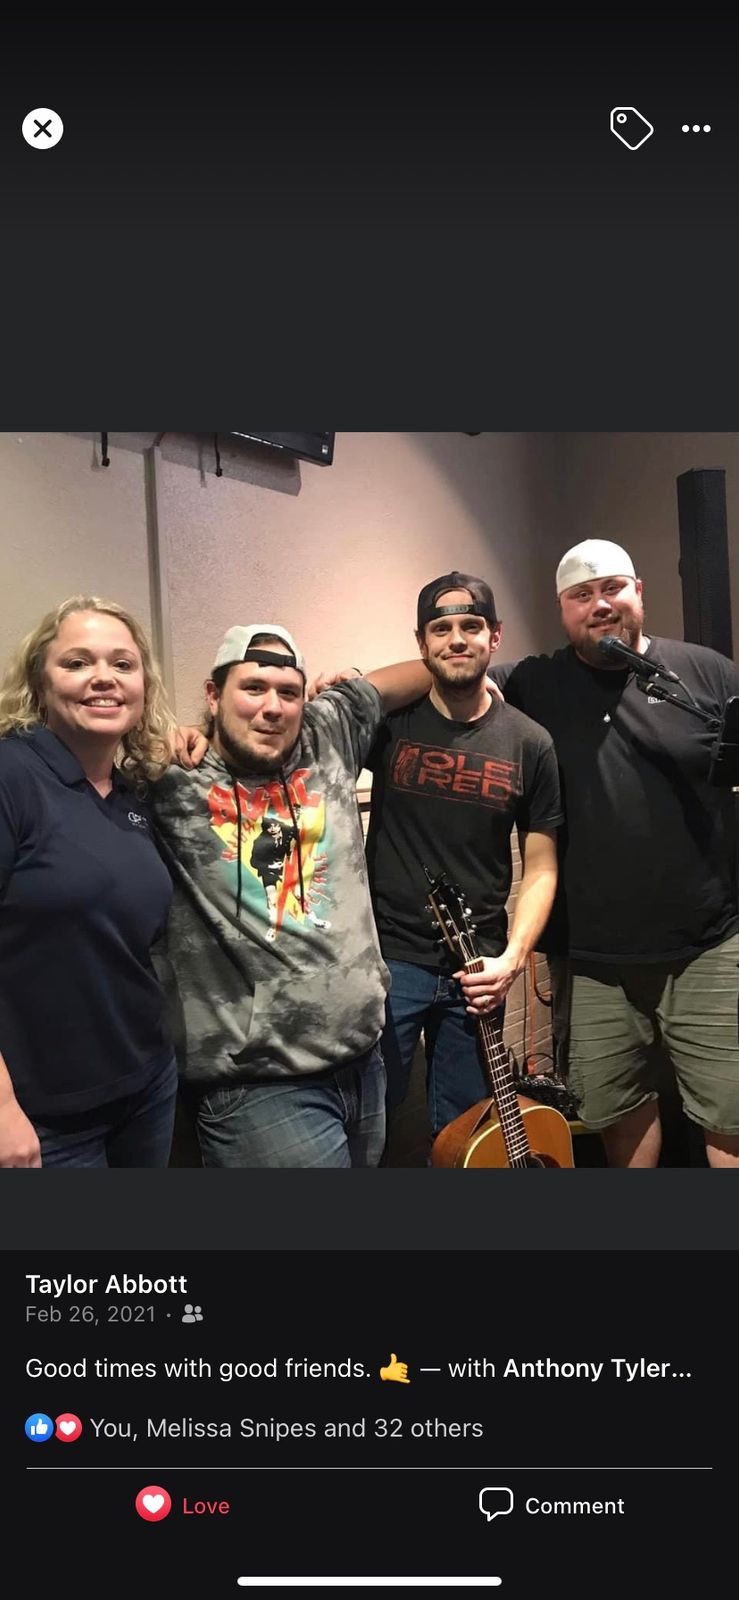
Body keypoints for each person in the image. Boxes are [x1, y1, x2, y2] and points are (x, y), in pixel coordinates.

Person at [492, 538, 739, 1169]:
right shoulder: (534, 682)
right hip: (593, 957)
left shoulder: (705, 674)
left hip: (709, 945)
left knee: (730, 1117)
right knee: (618, 1115)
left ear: (638, 592)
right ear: (562, 608)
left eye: (612, 589)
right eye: (582, 595)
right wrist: (357, 687)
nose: (599, 605)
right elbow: (454, 671)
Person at [152, 623, 434, 1168]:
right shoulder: (171, 776)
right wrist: (156, 739)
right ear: (213, 695)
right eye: (252, 688)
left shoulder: (326, 734)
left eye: (288, 692)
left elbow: (423, 671)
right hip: (260, 1085)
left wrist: (357, 676)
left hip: (367, 1056)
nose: (272, 707)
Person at [364, 572, 563, 1137]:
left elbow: (542, 865)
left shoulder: (530, 743)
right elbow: (292, 744)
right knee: (369, 1125)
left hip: (479, 969)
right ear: (422, 643)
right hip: (389, 963)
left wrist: (513, 960)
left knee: (466, 1133)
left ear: (494, 636)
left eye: (471, 626)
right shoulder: (388, 728)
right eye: (441, 628)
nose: (457, 639)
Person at [0, 596, 177, 1168]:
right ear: (39, 682)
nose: (104, 678)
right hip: (41, 1115)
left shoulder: (132, 793)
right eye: (77, 663)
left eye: (123, 664)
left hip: (147, 1086)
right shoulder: (11, 776)